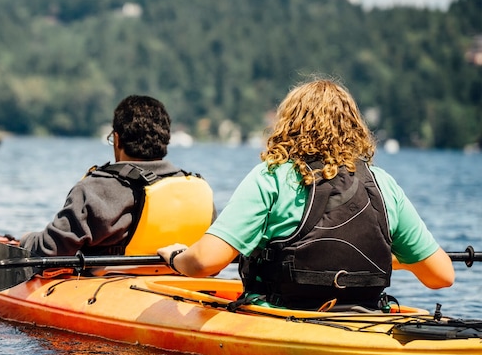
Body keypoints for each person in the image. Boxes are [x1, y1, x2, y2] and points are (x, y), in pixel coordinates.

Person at [158, 77, 455, 310]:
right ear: (353, 127)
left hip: (284, 315)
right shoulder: (382, 183)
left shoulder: (272, 177)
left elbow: (203, 263)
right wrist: (390, 260)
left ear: (289, 124)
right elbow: (442, 276)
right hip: (365, 317)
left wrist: (175, 258)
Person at [17, 95, 214, 257]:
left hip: (108, 291)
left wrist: (26, 240)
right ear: (165, 139)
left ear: (117, 139)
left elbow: (49, 250)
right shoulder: (199, 191)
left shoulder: (94, 190)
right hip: (182, 288)